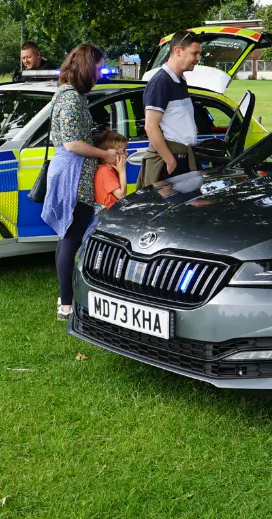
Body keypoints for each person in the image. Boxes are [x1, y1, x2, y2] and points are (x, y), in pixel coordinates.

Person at [42, 44, 120, 320]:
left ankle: (64, 299)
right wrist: (105, 153)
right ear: (88, 67)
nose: (100, 73)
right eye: (99, 68)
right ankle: (66, 305)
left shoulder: (63, 93)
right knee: (72, 237)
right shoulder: (73, 99)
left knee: (65, 237)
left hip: (66, 171)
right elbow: (74, 143)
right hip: (75, 175)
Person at [137, 30, 203, 189]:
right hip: (169, 164)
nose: (198, 59)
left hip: (183, 160)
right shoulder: (161, 82)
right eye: (194, 53)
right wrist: (170, 160)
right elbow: (150, 126)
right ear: (178, 51)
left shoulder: (180, 80)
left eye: (199, 54)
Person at [93, 130, 130, 209]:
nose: (127, 154)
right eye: (123, 151)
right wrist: (122, 171)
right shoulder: (105, 171)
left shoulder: (104, 169)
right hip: (111, 213)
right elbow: (121, 195)